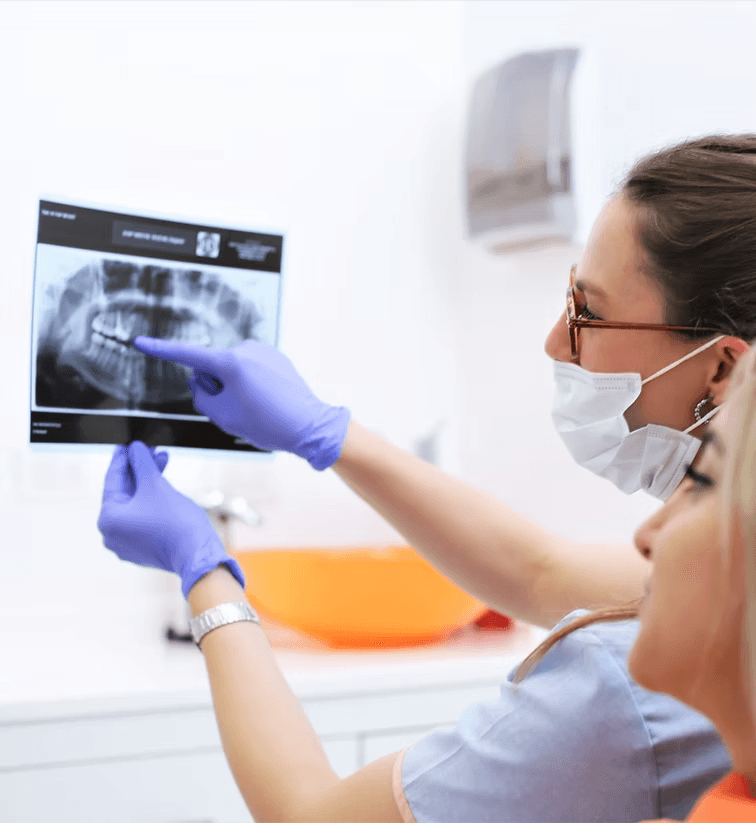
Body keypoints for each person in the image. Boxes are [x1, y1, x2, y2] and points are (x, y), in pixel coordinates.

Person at [99, 134, 756, 822]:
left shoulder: (622, 686)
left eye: (586, 310)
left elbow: (309, 817)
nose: (555, 342)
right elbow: (541, 573)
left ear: (723, 370)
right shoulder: (728, 595)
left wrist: (204, 570)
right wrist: (328, 434)